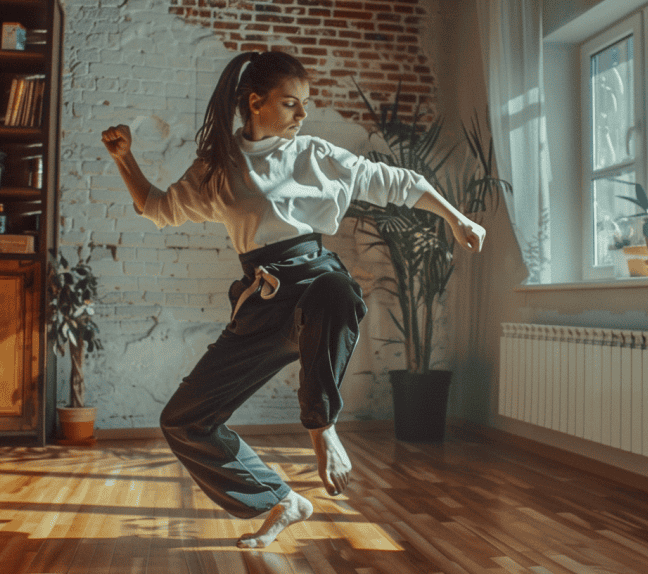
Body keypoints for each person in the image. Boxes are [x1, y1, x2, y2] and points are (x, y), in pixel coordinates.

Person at [101, 51, 485, 548]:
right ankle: (281, 500)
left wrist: (458, 219)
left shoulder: (315, 155)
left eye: (305, 104)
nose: (303, 115)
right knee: (183, 420)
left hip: (315, 282)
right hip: (262, 300)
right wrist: (124, 159)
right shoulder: (218, 167)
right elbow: (157, 208)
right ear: (255, 103)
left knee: (338, 289)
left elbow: (400, 183)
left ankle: (321, 426)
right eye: (291, 103)